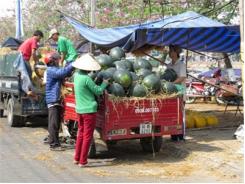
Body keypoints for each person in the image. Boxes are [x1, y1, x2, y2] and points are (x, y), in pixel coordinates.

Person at [72, 53, 109, 167]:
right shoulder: (86, 79)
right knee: (88, 136)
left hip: (79, 110)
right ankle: (83, 161)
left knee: (81, 134)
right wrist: (104, 84)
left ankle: (76, 158)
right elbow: (97, 91)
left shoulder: (76, 76)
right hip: (89, 111)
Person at [44, 52, 74, 151]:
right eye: (57, 60)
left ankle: (52, 140)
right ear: (53, 61)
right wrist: (73, 64)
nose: (58, 61)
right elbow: (62, 73)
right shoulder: (51, 70)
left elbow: (65, 72)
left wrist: (70, 64)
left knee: (54, 122)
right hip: (53, 100)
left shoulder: (53, 69)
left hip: (55, 99)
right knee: (54, 123)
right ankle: (54, 144)